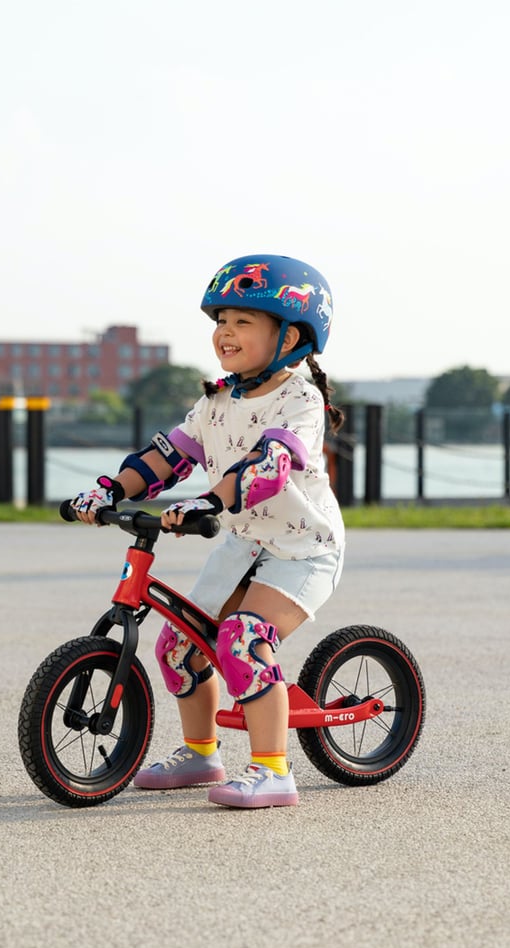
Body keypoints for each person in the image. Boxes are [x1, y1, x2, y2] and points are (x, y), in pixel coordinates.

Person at [68, 254, 345, 808]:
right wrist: (109, 491)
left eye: (244, 322)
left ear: (290, 336)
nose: (226, 333)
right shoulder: (216, 400)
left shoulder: (299, 400)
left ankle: (273, 771)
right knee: (177, 645)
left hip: (301, 549)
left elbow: (269, 466)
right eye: (221, 321)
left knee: (242, 639)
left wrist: (206, 500)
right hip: (244, 544)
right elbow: (165, 456)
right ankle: (201, 754)